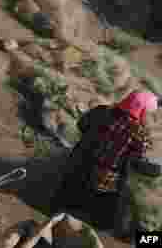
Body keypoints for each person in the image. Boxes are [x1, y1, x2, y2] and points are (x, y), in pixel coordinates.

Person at [51, 90, 157, 230]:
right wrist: (155, 170)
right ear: (142, 111)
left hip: (74, 174)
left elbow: (81, 125)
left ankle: (62, 204)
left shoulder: (101, 111)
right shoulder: (140, 135)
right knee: (107, 222)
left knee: (67, 195)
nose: (151, 117)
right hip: (103, 186)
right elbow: (138, 163)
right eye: (150, 114)